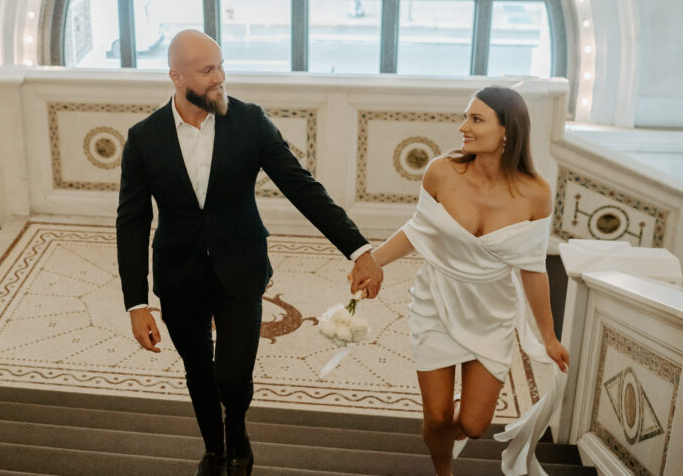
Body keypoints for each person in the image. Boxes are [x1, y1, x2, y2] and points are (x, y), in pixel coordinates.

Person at [117, 29, 382, 476]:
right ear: (176, 77)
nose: (220, 78)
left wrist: (359, 249)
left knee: (232, 377)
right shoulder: (143, 138)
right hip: (178, 275)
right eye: (207, 71)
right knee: (198, 372)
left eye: (221, 66)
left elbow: (303, 189)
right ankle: (214, 448)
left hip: (240, 267)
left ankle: (236, 428)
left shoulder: (250, 121)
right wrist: (136, 303)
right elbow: (132, 221)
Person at [348, 85, 570, 476]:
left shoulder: (536, 193)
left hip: (492, 312)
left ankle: (455, 439)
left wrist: (548, 337)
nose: (463, 126)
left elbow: (533, 269)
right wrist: (372, 262)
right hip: (437, 300)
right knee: (436, 417)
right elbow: (418, 230)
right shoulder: (441, 171)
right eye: (466, 116)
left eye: (476, 119)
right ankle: (443, 471)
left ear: (507, 131)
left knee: (473, 425)